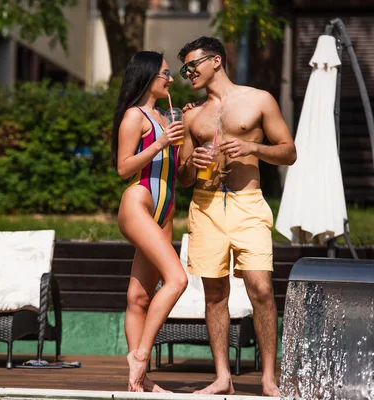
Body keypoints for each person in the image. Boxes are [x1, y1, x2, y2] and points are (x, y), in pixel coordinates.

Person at [176, 37, 297, 397]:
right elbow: (182, 178)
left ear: (215, 61)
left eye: (191, 65)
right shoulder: (192, 114)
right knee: (214, 295)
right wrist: (190, 164)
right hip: (206, 204)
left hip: (248, 204)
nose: (187, 73)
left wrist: (251, 147)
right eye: (183, 68)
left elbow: (289, 151)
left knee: (260, 288)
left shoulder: (259, 100)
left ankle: (269, 379)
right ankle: (222, 378)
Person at [111, 51, 188, 392]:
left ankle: (139, 380)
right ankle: (141, 355)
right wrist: (159, 142)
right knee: (177, 279)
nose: (171, 79)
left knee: (139, 298)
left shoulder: (164, 116)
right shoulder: (135, 116)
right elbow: (124, 168)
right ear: (148, 75)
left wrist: (190, 152)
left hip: (166, 210)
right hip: (139, 203)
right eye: (166, 74)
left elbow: (180, 175)